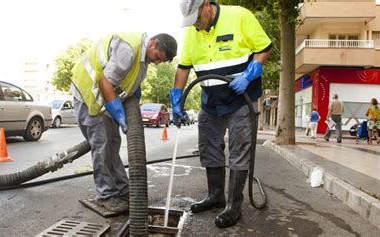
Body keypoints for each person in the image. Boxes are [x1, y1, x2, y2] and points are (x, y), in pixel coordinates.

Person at [171, 0, 272, 228]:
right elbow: (183, 67)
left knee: (239, 149)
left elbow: (264, 48)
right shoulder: (192, 32)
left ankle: (233, 207)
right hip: (211, 100)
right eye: (191, 22)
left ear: (206, 4)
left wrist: (249, 74)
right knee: (208, 146)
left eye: (197, 19)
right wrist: (177, 97)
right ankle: (216, 196)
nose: (196, 25)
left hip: (240, 98)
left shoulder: (239, 16)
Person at [71, 32, 177, 216]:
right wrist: (120, 115)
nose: (157, 62)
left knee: (112, 145)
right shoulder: (128, 49)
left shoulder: (142, 59)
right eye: (158, 57)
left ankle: (123, 191)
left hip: (103, 100)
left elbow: (126, 82)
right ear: (152, 43)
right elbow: (105, 82)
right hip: (90, 96)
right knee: (102, 146)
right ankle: (106, 195)